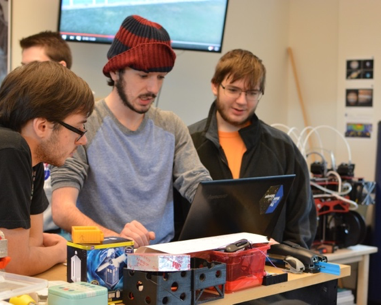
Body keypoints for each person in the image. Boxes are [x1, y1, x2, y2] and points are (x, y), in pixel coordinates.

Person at [50, 15, 211, 248]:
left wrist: (247, 232)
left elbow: (200, 188)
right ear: (115, 72)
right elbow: (62, 209)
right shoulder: (83, 124)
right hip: (102, 261)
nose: (153, 88)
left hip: (163, 262)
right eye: (143, 76)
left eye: (160, 77)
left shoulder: (171, 125)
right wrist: (118, 241)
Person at [0, 61, 95, 275]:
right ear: (42, 126)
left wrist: (28, 249)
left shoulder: (32, 158)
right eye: (78, 128)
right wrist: (62, 251)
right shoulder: (8, 150)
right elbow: (15, 263)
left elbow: (33, 243)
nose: (83, 140)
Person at [185, 49, 317, 249]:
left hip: (269, 271)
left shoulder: (282, 147)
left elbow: (301, 222)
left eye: (252, 93)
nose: (242, 101)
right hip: (202, 272)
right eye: (233, 90)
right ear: (215, 86)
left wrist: (285, 260)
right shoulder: (188, 143)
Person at [20, 30, 73, 233]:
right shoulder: (17, 122)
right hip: (19, 232)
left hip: (58, 233)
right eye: (23, 68)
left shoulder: (77, 127)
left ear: (60, 68)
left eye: (34, 66)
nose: (24, 76)